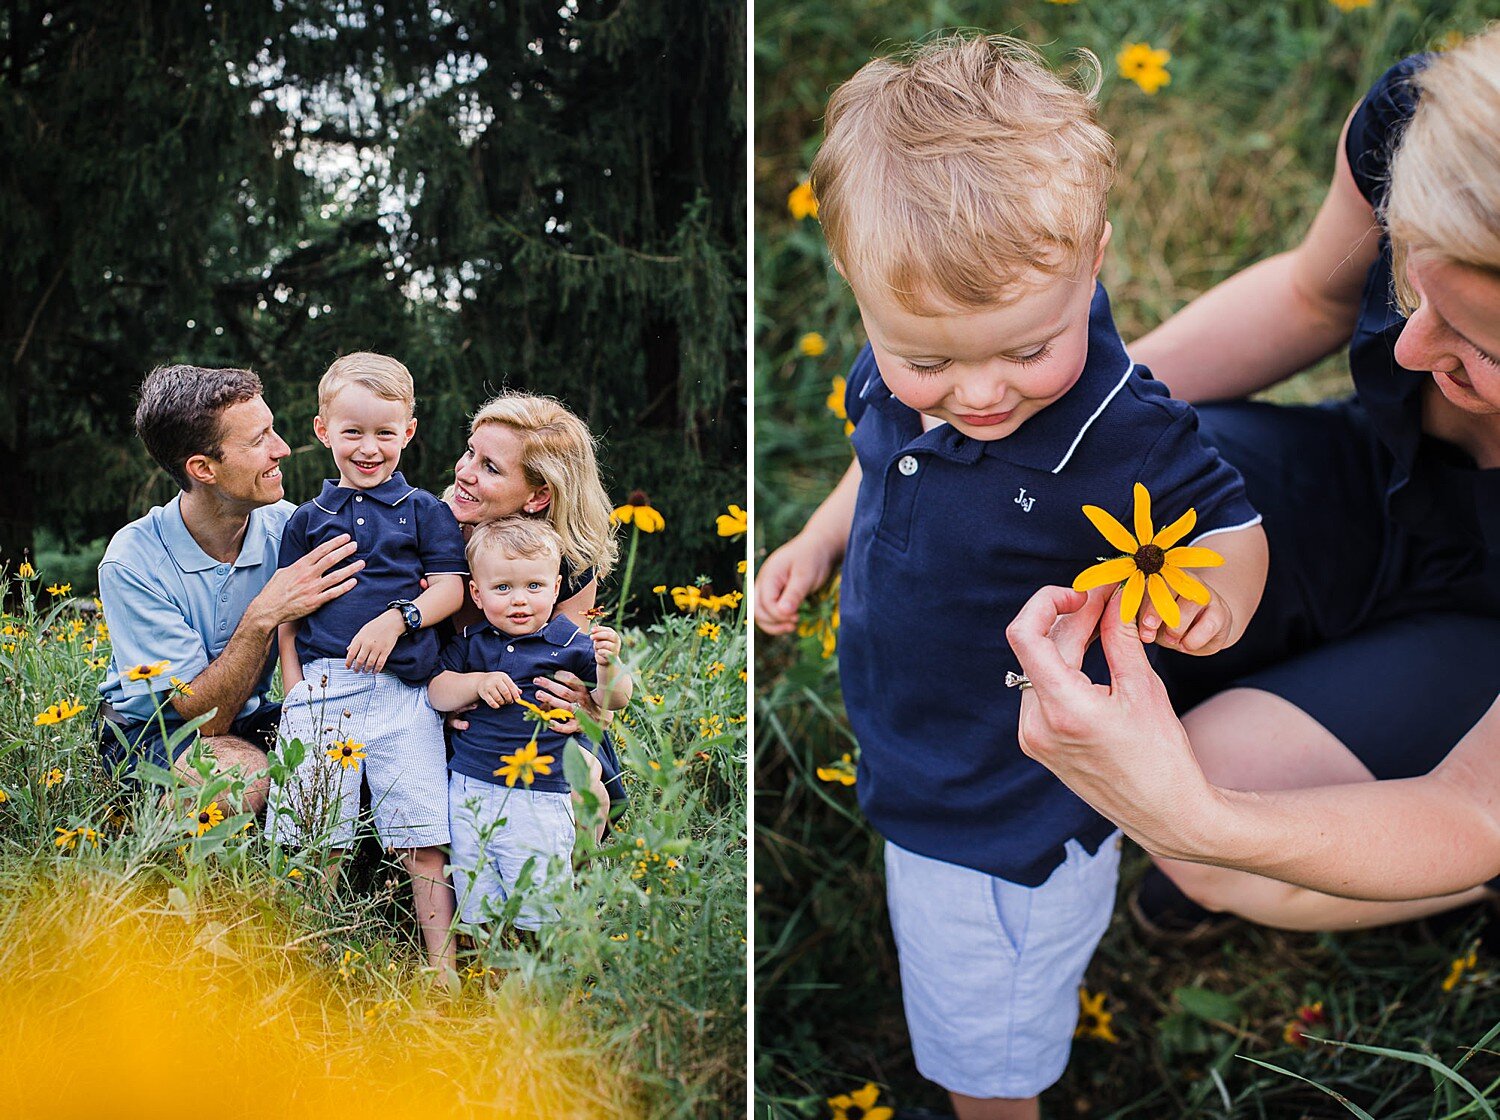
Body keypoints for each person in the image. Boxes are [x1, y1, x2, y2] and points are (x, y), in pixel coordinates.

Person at [754, 35, 1268, 1120]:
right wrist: (818, 537)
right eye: (931, 363)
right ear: (859, 292)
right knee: (962, 997)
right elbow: (879, 456)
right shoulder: (900, 359)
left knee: (984, 1045)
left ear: (1094, 266)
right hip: (923, 749)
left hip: (1013, 810)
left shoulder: (1121, 426)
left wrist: (1218, 597)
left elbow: (1231, 517)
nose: (977, 393)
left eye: (1026, 350)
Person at [1008, 28, 1500, 931]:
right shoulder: (1432, 126)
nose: (1410, 347)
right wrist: (1063, 420)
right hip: (1375, 482)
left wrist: (1205, 824)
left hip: (1488, 636)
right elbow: (1308, 296)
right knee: (1081, 511)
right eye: (1413, 290)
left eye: (1481, 345)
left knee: (1213, 828)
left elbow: (1477, 806)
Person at [266, 352, 467, 972]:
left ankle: (443, 974)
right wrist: (296, 686)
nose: (369, 447)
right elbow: (289, 612)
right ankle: (311, 963)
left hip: (405, 695)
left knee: (422, 841)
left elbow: (450, 588)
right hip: (324, 692)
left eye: (385, 432)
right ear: (323, 431)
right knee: (314, 839)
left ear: (408, 432)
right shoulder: (308, 519)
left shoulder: (425, 511)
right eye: (352, 432)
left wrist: (398, 617)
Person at [96, 364, 362, 812]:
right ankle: (157, 847)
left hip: (250, 714)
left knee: (369, 746)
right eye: (259, 440)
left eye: (272, 431)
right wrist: (264, 615)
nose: (282, 449)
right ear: (203, 468)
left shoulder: (291, 529)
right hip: (150, 731)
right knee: (236, 780)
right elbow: (203, 718)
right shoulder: (133, 561)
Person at [430, 517, 631, 931]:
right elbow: (438, 691)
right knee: (476, 886)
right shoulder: (470, 643)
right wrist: (477, 683)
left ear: (556, 589)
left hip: (541, 789)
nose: (519, 600)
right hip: (471, 784)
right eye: (503, 588)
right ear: (477, 594)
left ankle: (544, 966)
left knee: (539, 894)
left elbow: (615, 699)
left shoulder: (569, 644)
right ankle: (487, 961)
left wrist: (610, 665)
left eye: (534, 587)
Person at [442, 390, 626, 822]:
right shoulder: (427, 532)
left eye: (489, 467)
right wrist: (444, 703)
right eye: (470, 453)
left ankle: (569, 885)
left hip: (529, 718)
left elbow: (570, 666)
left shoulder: (570, 563)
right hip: (455, 705)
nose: (465, 473)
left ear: (538, 497)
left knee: (586, 794)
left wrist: (588, 705)